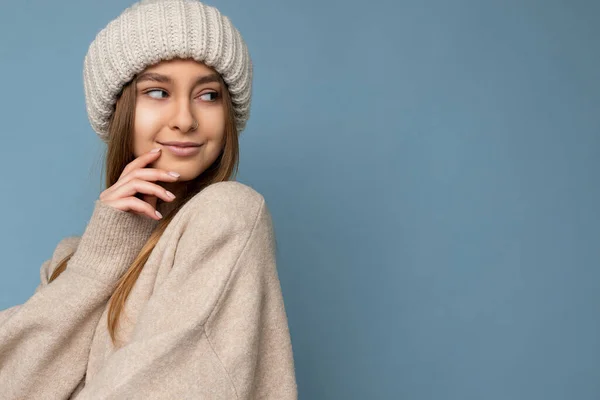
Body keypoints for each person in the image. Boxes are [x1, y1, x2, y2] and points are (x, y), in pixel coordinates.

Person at [0, 0, 298, 398]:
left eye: (208, 95)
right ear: (120, 109)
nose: (185, 119)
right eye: (158, 91)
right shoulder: (70, 261)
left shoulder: (228, 216)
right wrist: (98, 260)